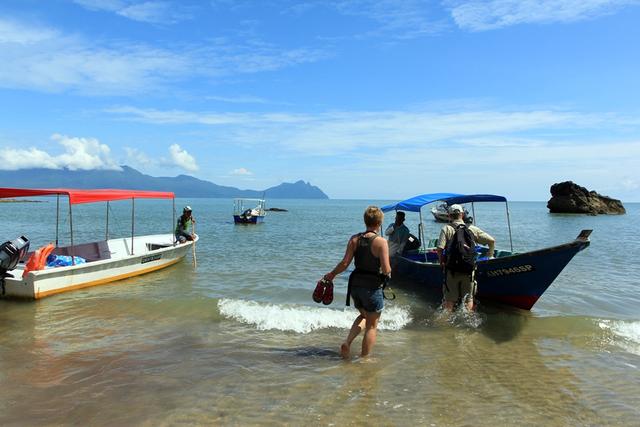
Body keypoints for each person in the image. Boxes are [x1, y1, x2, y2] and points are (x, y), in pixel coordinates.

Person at [322, 206, 392, 359]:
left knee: (365, 315)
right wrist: (389, 273)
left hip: (355, 286)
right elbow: (386, 269)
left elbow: (345, 263)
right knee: (372, 326)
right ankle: (365, 358)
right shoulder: (381, 242)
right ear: (379, 223)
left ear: (365, 221)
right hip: (372, 287)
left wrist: (331, 275)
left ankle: (347, 342)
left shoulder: (354, 239)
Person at [436, 204, 495, 312]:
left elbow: (439, 249)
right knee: (469, 300)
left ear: (449, 215)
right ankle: (469, 324)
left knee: (449, 301)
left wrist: (442, 264)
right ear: (462, 214)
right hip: (468, 270)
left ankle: (445, 326)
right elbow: (491, 240)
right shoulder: (472, 228)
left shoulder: (446, 229)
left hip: (451, 270)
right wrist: (489, 256)